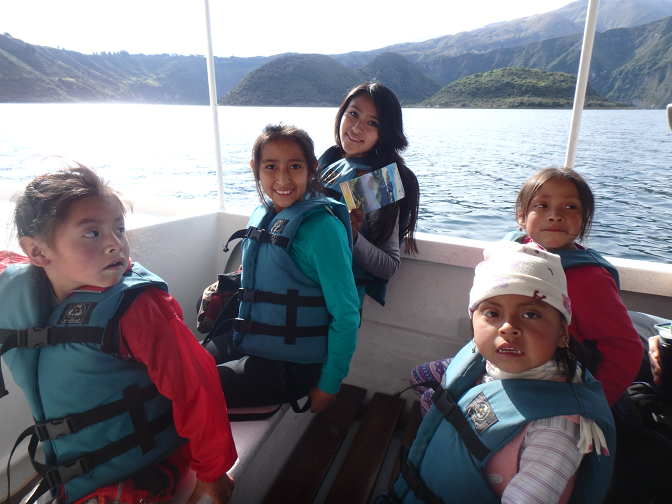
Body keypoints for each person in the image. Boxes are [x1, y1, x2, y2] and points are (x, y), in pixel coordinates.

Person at [0, 164, 237, 504]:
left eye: (119, 229)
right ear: (37, 252)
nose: (116, 245)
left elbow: (196, 387)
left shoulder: (139, 307)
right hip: (68, 477)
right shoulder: (15, 289)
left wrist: (212, 471)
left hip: (139, 476)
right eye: (92, 233)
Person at [381, 242, 615, 504]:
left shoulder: (554, 430)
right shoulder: (488, 364)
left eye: (530, 314)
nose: (508, 327)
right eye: (492, 313)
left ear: (562, 333)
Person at [203, 124, 360, 413]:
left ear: (312, 169)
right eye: (271, 167)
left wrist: (329, 385)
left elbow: (347, 314)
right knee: (177, 366)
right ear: (256, 169)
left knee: (188, 387)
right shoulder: (264, 214)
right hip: (246, 339)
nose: (283, 178)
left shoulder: (322, 229)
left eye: (295, 166)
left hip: (290, 368)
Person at [316, 82, 420, 307]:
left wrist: (351, 236)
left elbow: (389, 264)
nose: (356, 127)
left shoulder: (377, 183)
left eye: (372, 123)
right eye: (353, 114)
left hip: (330, 305)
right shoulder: (331, 162)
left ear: (384, 135)